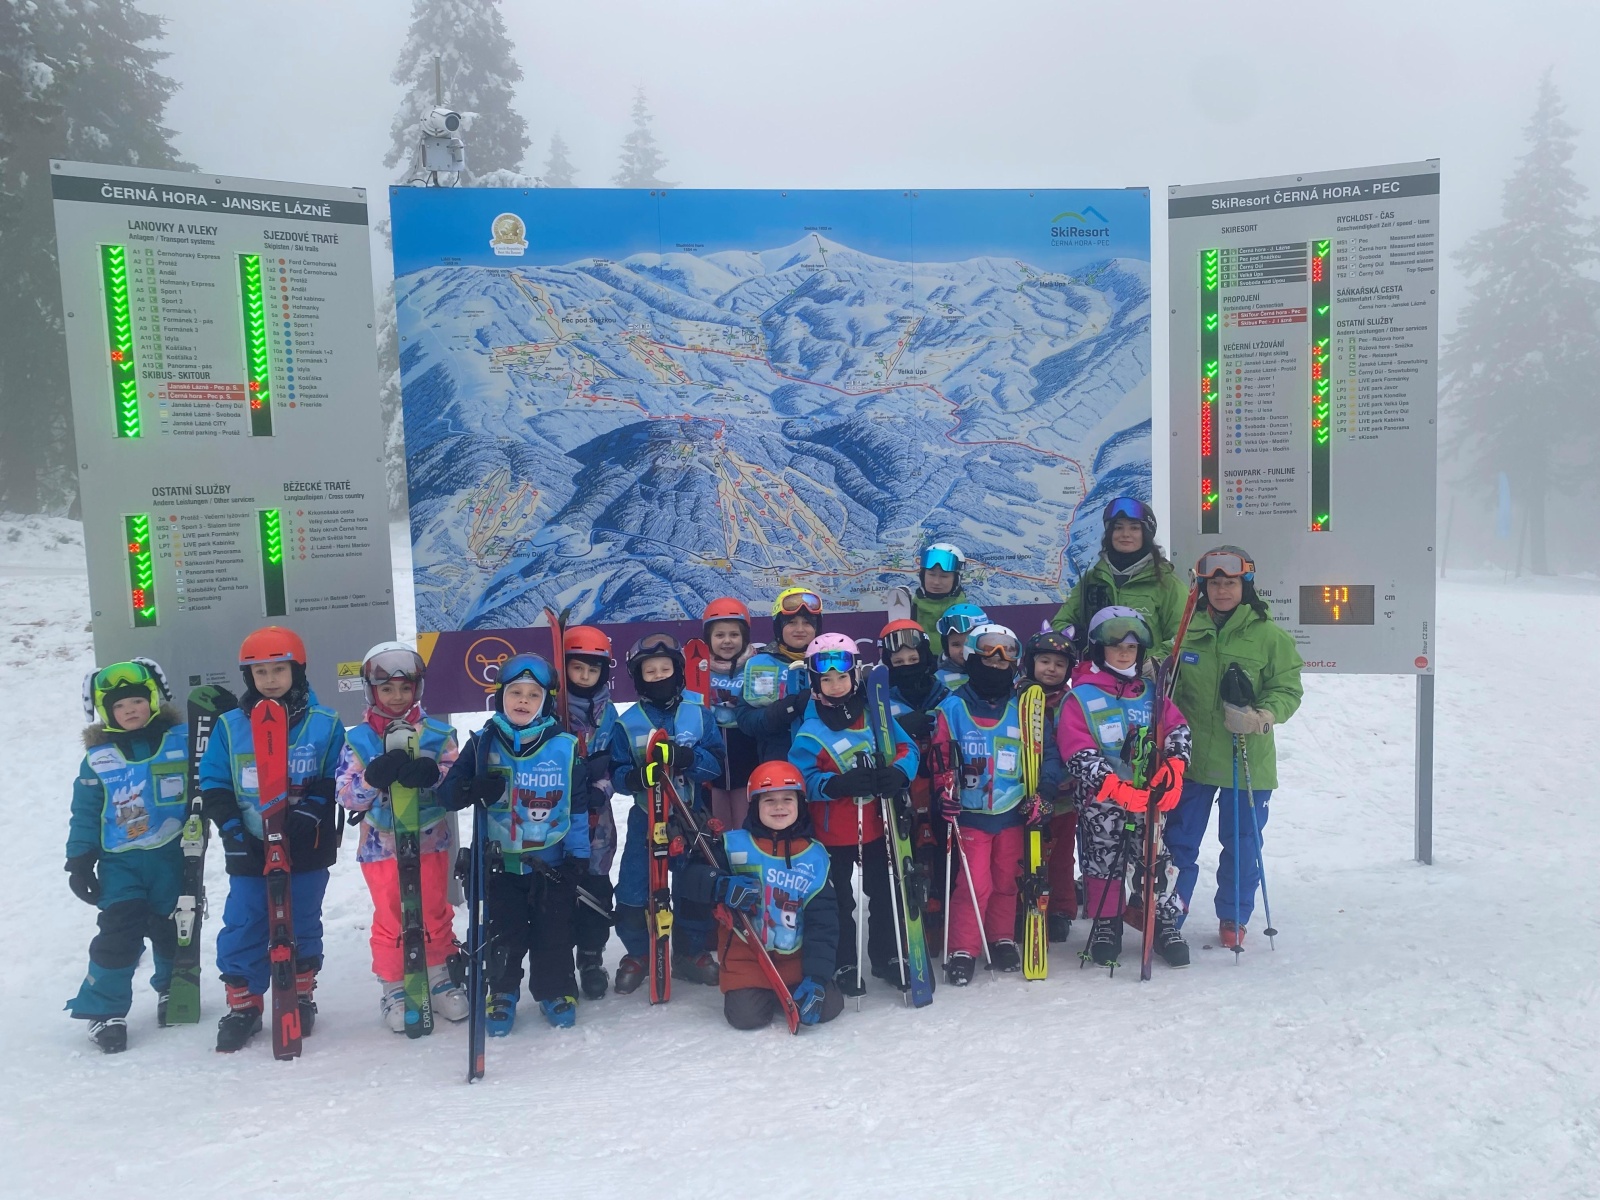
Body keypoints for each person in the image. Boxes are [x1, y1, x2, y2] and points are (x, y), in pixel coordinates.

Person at [199, 627, 345, 1052]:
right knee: (245, 919)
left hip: (306, 841)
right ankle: (244, 1003)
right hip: (250, 843)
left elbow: (336, 774)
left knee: (302, 917)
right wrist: (231, 828)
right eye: (259, 672)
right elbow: (214, 781)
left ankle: (299, 991)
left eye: (279, 670)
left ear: (297, 671)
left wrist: (312, 809)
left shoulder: (324, 723)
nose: (270, 679)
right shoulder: (230, 727)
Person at [442, 652, 597, 1033]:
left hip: (550, 863)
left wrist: (578, 855)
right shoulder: (483, 743)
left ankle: (555, 990)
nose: (523, 701)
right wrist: (471, 787)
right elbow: (448, 795)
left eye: (532, 695)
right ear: (501, 697)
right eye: (515, 693)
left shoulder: (564, 746)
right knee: (504, 933)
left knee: (553, 932)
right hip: (501, 863)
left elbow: (576, 806)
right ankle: (502, 991)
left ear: (545, 701)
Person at [1165, 546, 1303, 949]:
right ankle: (1170, 909)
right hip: (1192, 760)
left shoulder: (1269, 636)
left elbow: (1287, 688)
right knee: (1179, 841)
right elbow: (1165, 669)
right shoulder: (1187, 630)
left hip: (1246, 760)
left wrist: (1262, 716)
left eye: (1230, 583)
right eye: (1214, 584)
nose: (1222, 591)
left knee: (1242, 845)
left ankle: (1234, 914)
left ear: (1246, 586)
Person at [335, 642, 466, 1032]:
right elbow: (346, 794)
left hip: (429, 841)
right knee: (393, 913)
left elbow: (456, 782)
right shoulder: (359, 740)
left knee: (433, 908)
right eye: (387, 689)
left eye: (404, 688)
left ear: (417, 688)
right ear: (371, 691)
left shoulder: (438, 734)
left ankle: (439, 974)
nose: (396, 697)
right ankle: (395, 984)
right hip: (381, 845)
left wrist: (434, 775)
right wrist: (372, 777)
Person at [63, 659, 188, 1053]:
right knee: (119, 932)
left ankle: (174, 988)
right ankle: (105, 1010)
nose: (130, 710)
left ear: (152, 699)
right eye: (119, 705)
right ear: (106, 712)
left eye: (137, 700)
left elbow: (213, 775)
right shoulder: (98, 759)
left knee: (174, 927)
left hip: (171, 856)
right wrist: (80, 860)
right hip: (120, 863)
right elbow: (85, 812)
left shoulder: (180, 741)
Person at [1058, 607, 1192, 968]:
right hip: (1103, 801)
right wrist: (1112, 785)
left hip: (1147, 797)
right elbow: (1077, 749)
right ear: (1098, 648)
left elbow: (1177, 729)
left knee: (1155, 857)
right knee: (1103, 860)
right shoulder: (1081, 697)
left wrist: (1175, 765)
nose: (1123, 653)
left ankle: (1162, 920)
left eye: (1131, 648)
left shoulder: (1150, 693)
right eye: (1115, 646)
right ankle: (1107, 922)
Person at [788, 633, 920, 995]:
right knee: (839, 901)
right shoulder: (810, 731)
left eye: (842, 677)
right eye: (827, 679)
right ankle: (843, 961)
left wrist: (899, 773)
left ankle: (887, 956)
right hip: (832, 833)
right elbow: (800, 779)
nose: (835, 685)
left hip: (878, 825)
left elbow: (907, 748)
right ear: (815, 682)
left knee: (884, 893)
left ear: (855, 676)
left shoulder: (875, 716)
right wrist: (835, 785)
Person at [674, 760, 845, 1030]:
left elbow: (824, 923)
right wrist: (720, 885)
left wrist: (817, 977)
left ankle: (794, 988)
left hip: (796, 960)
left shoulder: (814, 856)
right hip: (747, 956)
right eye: (769, 800)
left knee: (829, 1006)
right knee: (746, 1017)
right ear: (754, 805)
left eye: (787, 799)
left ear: (800, 804)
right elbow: (691, 878)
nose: (779, 807)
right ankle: (760, 992)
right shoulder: (732, 845)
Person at [607, 633, 727, 994]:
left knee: (695, 884)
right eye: (650, 671)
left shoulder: (698, 713)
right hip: (647, 817)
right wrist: (634, 777)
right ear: (639, 677)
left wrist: (687, 758)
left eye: (665, 669)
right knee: (634, 888)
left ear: (678, 671)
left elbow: (716, 764)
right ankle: (640, 953)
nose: (658, 676)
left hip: (690, 815)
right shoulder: (628, 723)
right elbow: (616, 773)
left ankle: (690, 952)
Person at [927, 623, 1032, 985]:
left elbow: (1040, 755)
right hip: (970, 814)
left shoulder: (1022, 709)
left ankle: (1001, 937)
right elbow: (940, 757)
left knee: (1006, 880)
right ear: (972, 660)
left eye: (1005, 660)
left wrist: (1041, 795)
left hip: (1011, 811)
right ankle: (963, 948)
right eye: (988, 658)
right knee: (974, 883)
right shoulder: (953, 708)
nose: (997, 664)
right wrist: (944, 791)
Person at [879, 618, 952, 957]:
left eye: (913, 659)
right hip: (905, 789)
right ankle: (911, 929)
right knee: (909, 857)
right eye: (899, 662)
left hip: (940, 784)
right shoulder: (881, 700)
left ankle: (945, 925)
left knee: (942, 854)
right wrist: (900, 725)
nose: (907, 666)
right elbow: (873, 737)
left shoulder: (945, 693)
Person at [1050, 497, 1190, 657]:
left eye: (1134, 528)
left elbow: (1183, 636)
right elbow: (1059, 623)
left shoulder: (1166, 582)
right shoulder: (1093, 578)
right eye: (1118, 528)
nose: (1125, 534)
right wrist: (1076, 635)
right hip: (1097, 671)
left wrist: (1156, 663)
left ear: (1146, 534)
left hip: (1144, 672)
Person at [561, 625, 621, 1001]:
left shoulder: (608, 712)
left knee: (596, 883)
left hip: (596, 819)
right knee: (558, 885)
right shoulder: (551, 708)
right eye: (577, 667)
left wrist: (603, 788)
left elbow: (618, 761)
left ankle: (590, 955)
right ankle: (557, 960)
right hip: (557, 814)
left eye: (592, 669)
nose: (584, 676)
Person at [1022, 628, 1079, 943]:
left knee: (1060, 856)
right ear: (1031, 662)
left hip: (1062, 796)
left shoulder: (1071, 701)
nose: (1051, 669)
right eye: (1044, 661)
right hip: (1024, 792)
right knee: (1025, 854)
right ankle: (1024, 904)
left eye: (1059, 664)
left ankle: (1060, 909)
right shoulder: (1016, 697)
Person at [736, 588, 821, 763]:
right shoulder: (762, 663)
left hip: (823, 755)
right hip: (778, 758)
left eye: (807, 622)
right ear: (778, 626)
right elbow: (745, 719)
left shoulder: (831, 661)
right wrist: (779, 712)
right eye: (791, 623)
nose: (800, 629)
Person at [701, 597, 760, 831]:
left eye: (734, 634)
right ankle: (720, 845)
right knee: (718, 811)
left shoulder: (757, 663)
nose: (727, 641)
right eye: (719, 635)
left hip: (746, 741)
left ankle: (745, 843)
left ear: (744, 636)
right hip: (712, 741)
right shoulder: (698, 667)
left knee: (744, 805)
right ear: (709, 638)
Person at [910, 541, 974, 655]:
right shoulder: (910, 607)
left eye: (944, 576)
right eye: (931, 574)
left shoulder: (964, 614)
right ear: (923, 576)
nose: (936, 582)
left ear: (956, 579)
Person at [934, 602, 989, 690]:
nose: (963, 651)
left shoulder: (999, 671)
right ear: (946, 647)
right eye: (956, 645)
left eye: (969, 644)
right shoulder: (938, 681)